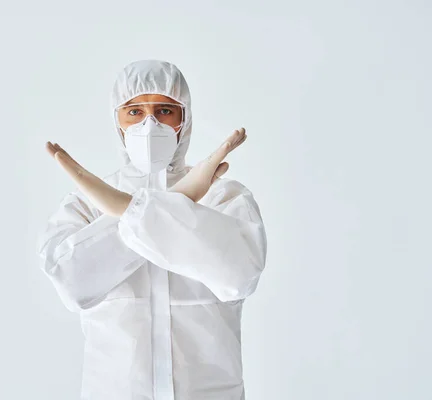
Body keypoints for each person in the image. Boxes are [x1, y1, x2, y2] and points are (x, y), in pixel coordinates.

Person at [37, 60, 267, 400]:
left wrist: (129, 210)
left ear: (183, 119)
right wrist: (180, 200)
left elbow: (239, 275)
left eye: (164, 110)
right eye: (133, 112)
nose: (149, 123)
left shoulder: (223, 195)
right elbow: (73, 283)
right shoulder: (85, 203)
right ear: (117, 119)